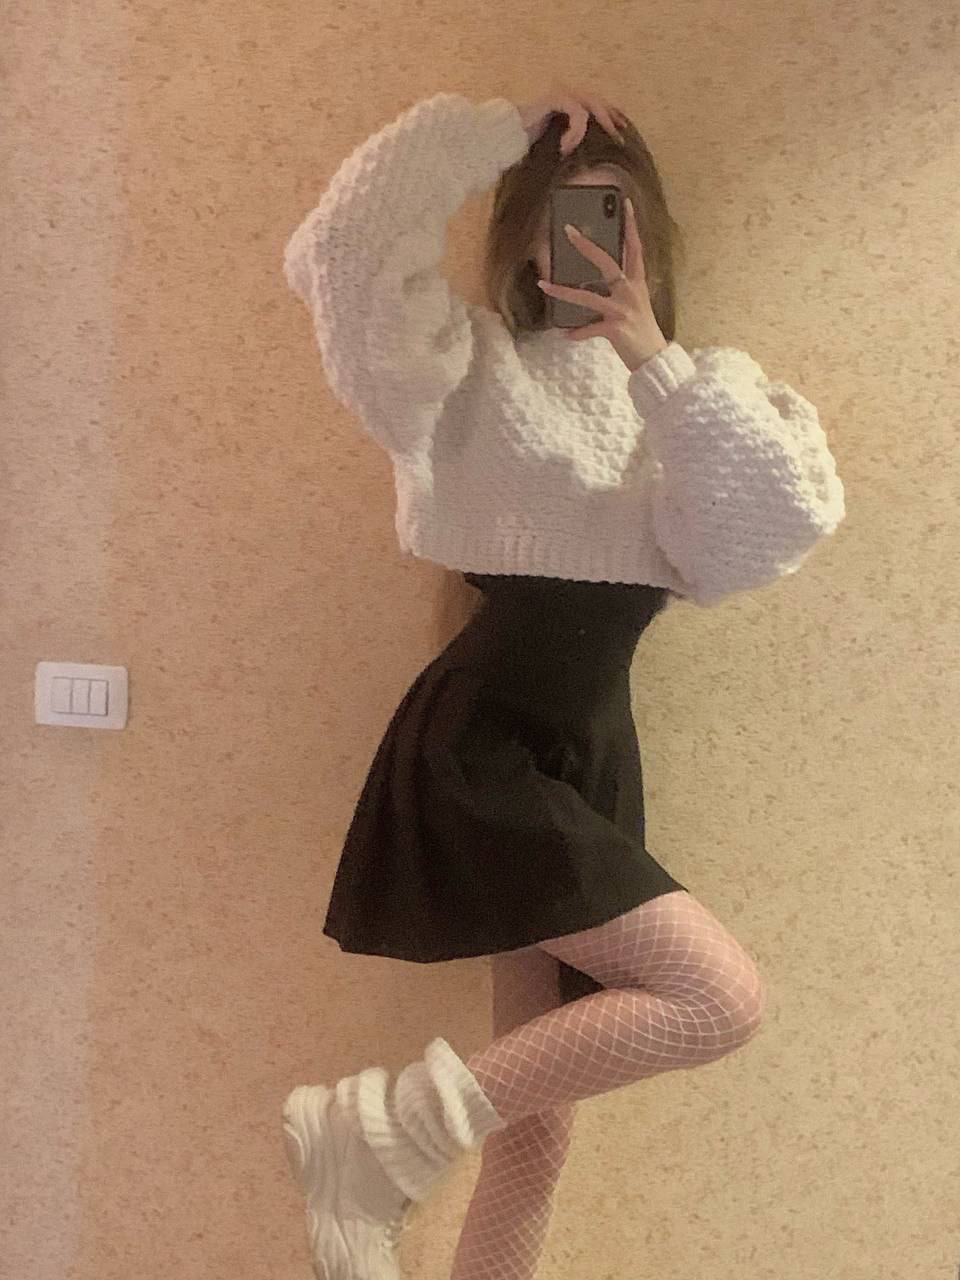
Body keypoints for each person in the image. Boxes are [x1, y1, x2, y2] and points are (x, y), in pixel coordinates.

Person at [280, 79, 846, 1280]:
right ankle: (377, 1137)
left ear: (652, 239)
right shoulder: (464, 368)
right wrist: (496, 130)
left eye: (613, 216)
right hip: (482, 747)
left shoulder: (698, 393)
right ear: (524, 227)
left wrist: (652, 355)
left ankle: (385, 1153)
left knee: (541, 1127)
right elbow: (341, 248)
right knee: (719, 998)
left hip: (589, 756)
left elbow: (766, 533)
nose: (587, 240)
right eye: (565, 213)